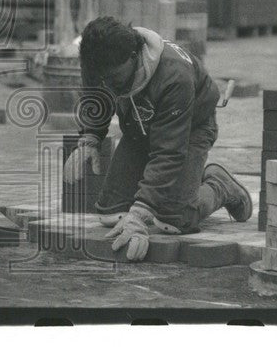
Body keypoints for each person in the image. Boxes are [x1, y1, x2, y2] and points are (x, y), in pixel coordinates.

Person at [64, 16, 252, 261]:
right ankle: (175, 190)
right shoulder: (98, 60)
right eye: (103, 79)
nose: (108, 86)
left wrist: (141, 211)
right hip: (139, 125)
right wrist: (90, 139)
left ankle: (220, 185)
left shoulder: (174, 76)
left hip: (190, 128)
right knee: (111, 214)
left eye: (115, 79)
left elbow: (168, 152)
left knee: (173, 219)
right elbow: (95, 97)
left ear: (133, 57)